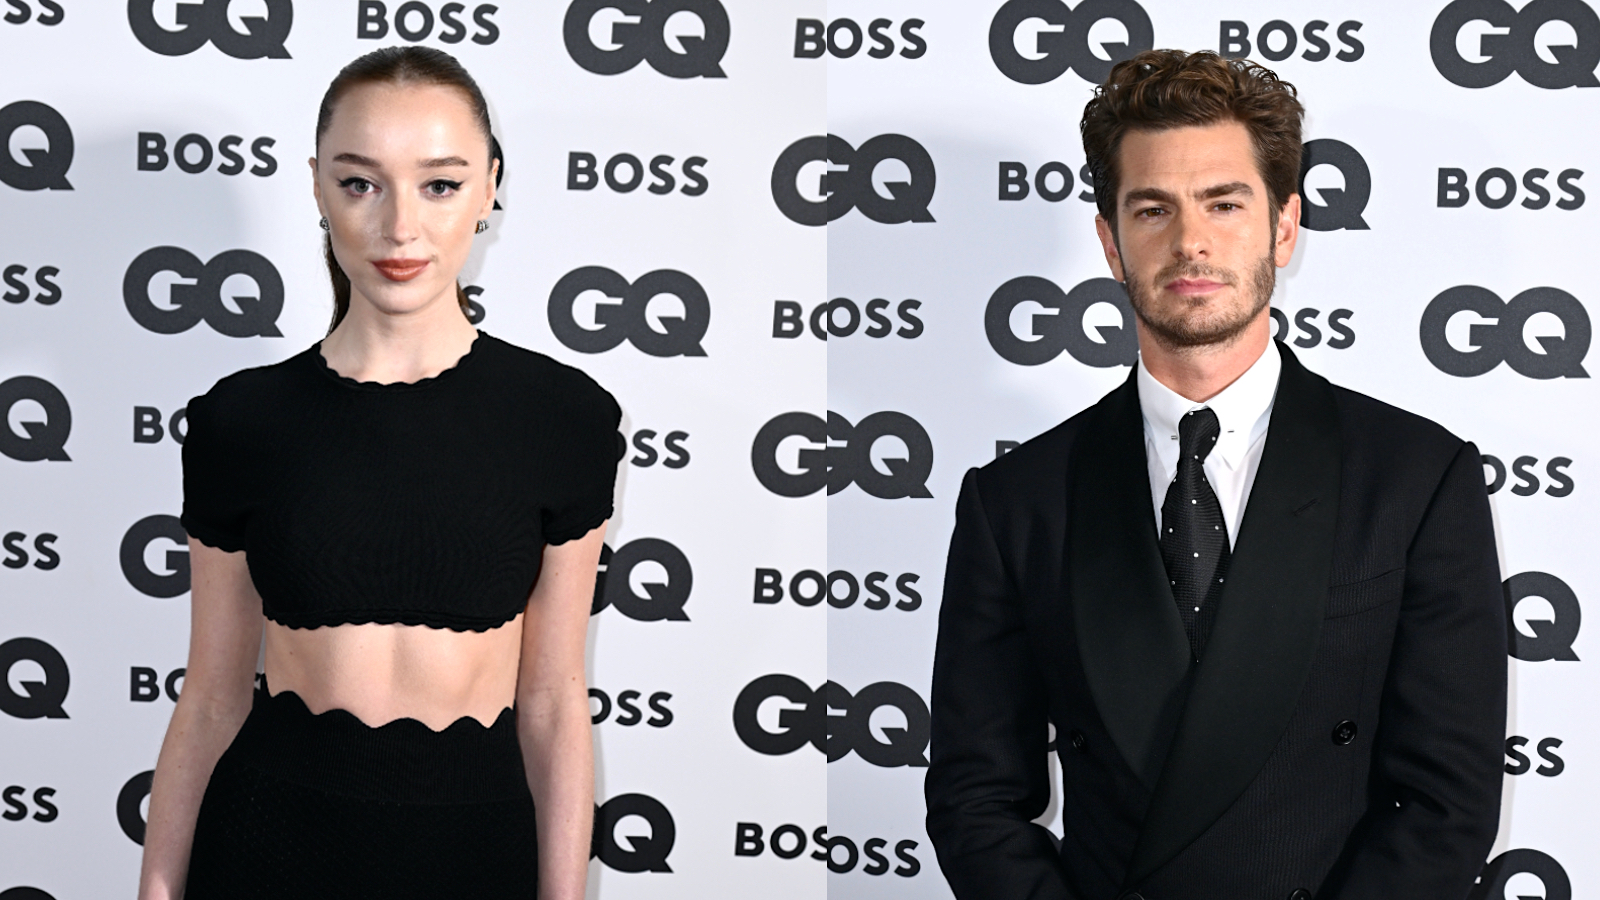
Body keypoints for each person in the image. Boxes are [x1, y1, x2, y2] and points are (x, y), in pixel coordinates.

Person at [925, 50, 1506, 900]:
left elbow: (1444, 803)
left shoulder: (1416, 480)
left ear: (1283, 226)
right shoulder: (1018, 503)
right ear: (1110, 243)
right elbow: (975, 798)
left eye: (1224, 204)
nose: (1190, 240)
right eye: (1153, 208)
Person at [137, 47, 618, 899]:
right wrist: (157, 889)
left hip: (476, 849)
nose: (401, 227)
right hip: (265, 846)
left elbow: (550, 700)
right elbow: (211, 697)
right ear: (318, 186)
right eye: (362, 182)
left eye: (439, 184)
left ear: (489, 189)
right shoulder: (240, 421)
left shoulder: (562, 417)